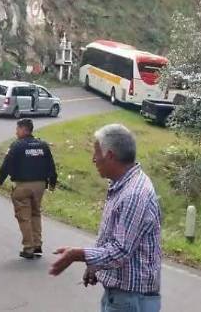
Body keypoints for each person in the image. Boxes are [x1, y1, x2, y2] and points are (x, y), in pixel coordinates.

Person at [49, 124, 162, 312]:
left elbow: (120, 250)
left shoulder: (134, 194)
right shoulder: (122, 185)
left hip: (131, 300)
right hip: (121, 297)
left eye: (96, 153)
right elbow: (114, 236)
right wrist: (95, 265)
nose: (93, 159)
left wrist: (78, 255)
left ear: (109, 155)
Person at [0, 119, 58, 259]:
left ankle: (29, 248)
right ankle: (37, 245)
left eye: (18, 129)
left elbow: (6, 165)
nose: (16, 132)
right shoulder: (43, 145)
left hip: (23, 185)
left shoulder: (16, 146)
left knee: (24, 216)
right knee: (35, 213)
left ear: (24, 130)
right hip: (40, 186)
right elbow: (51, 166)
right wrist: (52, 183)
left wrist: (0, 181)